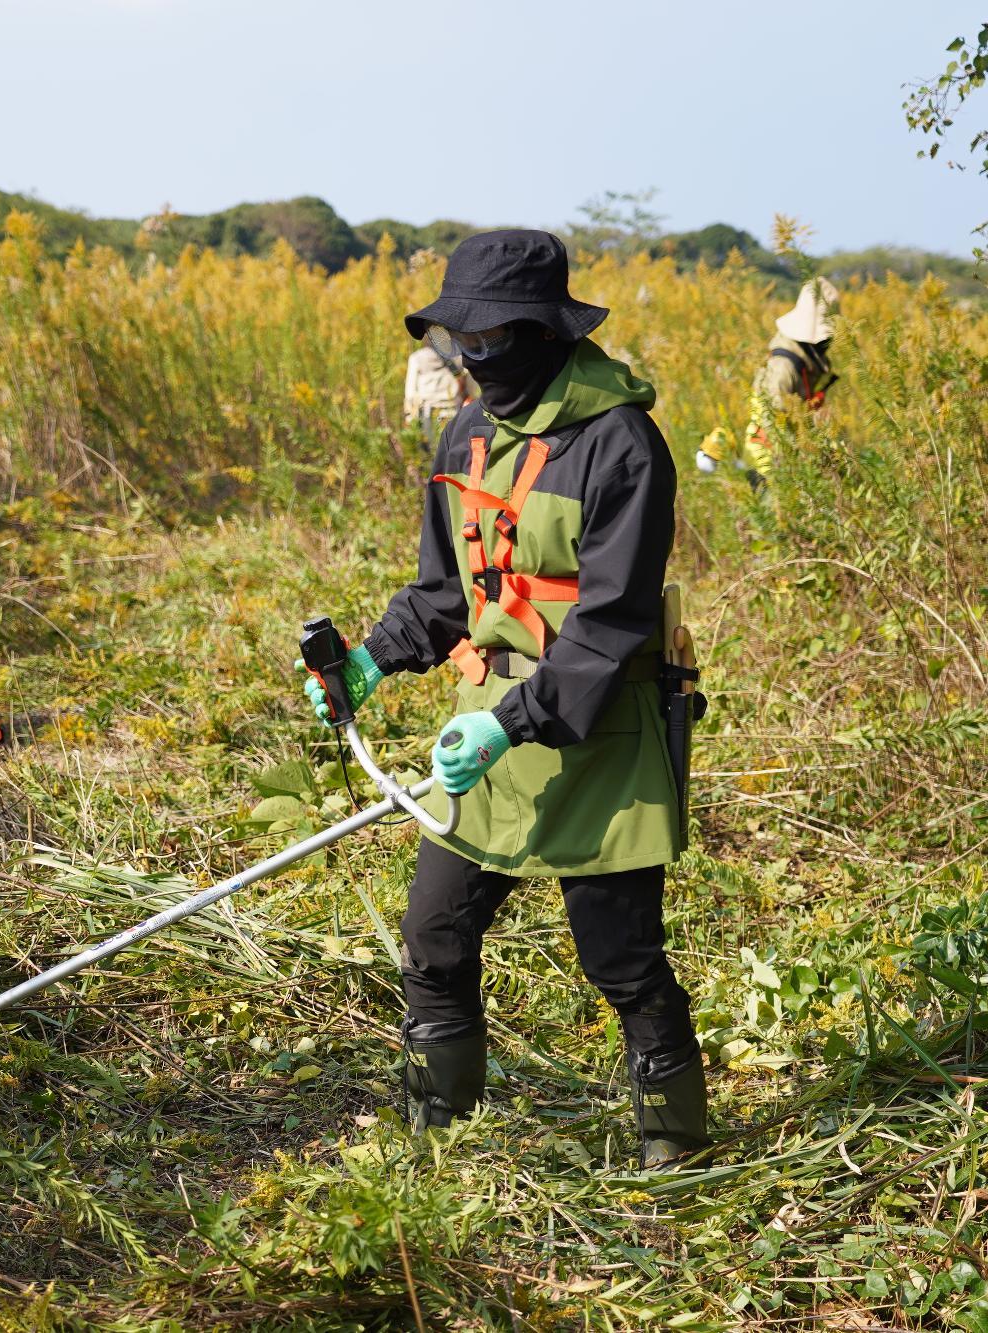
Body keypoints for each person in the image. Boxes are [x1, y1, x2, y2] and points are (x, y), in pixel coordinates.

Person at [301, 229, 708, 1168]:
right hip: (488, 733)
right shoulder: (467, 435)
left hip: (598, 736)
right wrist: (368, 662)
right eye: (461, 344)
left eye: (490, 342)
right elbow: (447, 593)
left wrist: (507, 723)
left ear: (542, 331)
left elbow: (608, 628)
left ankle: (676, 1159)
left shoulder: (622, 445)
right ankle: (436, 1144)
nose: (475, 361)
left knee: (622, 958)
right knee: (433, 936)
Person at [696, 277, 840, 481]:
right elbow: (775, 420)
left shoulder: (803, 357)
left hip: (783, 461)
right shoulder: (785, 366)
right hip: (770, 465)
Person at [403, 342, 467, 438]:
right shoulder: (458, 356)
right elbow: (469, 387)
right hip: (454, 410)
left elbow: (410, 394)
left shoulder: (417, 358)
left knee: (432, 449)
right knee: (454, 447)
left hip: (429, 413)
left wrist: (409, 417)